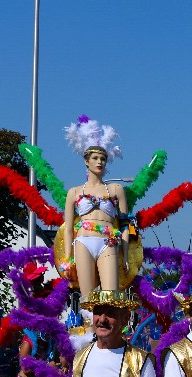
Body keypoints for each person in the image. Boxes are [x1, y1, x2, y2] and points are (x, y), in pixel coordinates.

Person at [61, 117, 130, 300]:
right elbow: (68, 228)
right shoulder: (74, 192)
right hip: (83, 241)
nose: (100, 162)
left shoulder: (116, 189)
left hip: (108, 242)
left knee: (111, 297)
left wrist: (125, 255)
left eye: (103, 159)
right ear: (86, 161)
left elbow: (124, 225)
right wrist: (68, 258)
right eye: (95, 158)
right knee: (88, 297)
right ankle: (89, 328)